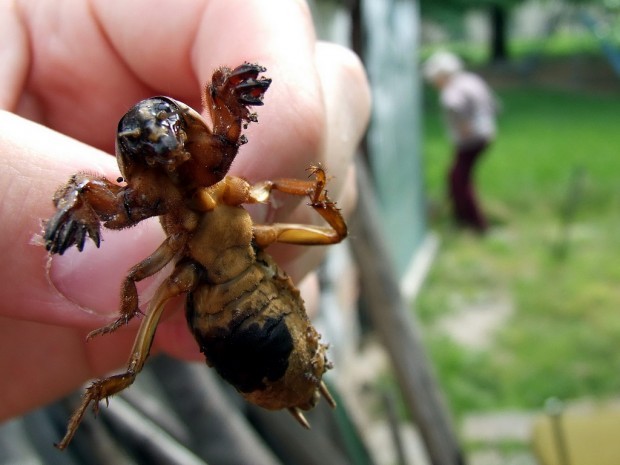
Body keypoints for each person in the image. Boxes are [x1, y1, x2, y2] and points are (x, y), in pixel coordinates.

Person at [0, 0, 370, 424]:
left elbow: (266, 188)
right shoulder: (209, 192)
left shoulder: (223, 180)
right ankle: (95, 394)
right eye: (147, 145)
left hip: (244, 313)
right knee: (134, 360)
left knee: (328, 232)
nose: (162, 149)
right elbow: (135, 269)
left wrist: (315, 192)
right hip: (233, 316)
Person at [423, 50, 498, 233]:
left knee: (459, 180)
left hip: (470, 140)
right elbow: (495, 105)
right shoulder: (471, 80)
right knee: (456, 178)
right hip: (486, 134)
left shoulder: (451, 92)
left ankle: (475, 224)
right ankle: (461, 219)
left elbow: (455, 109)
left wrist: (463, 132)